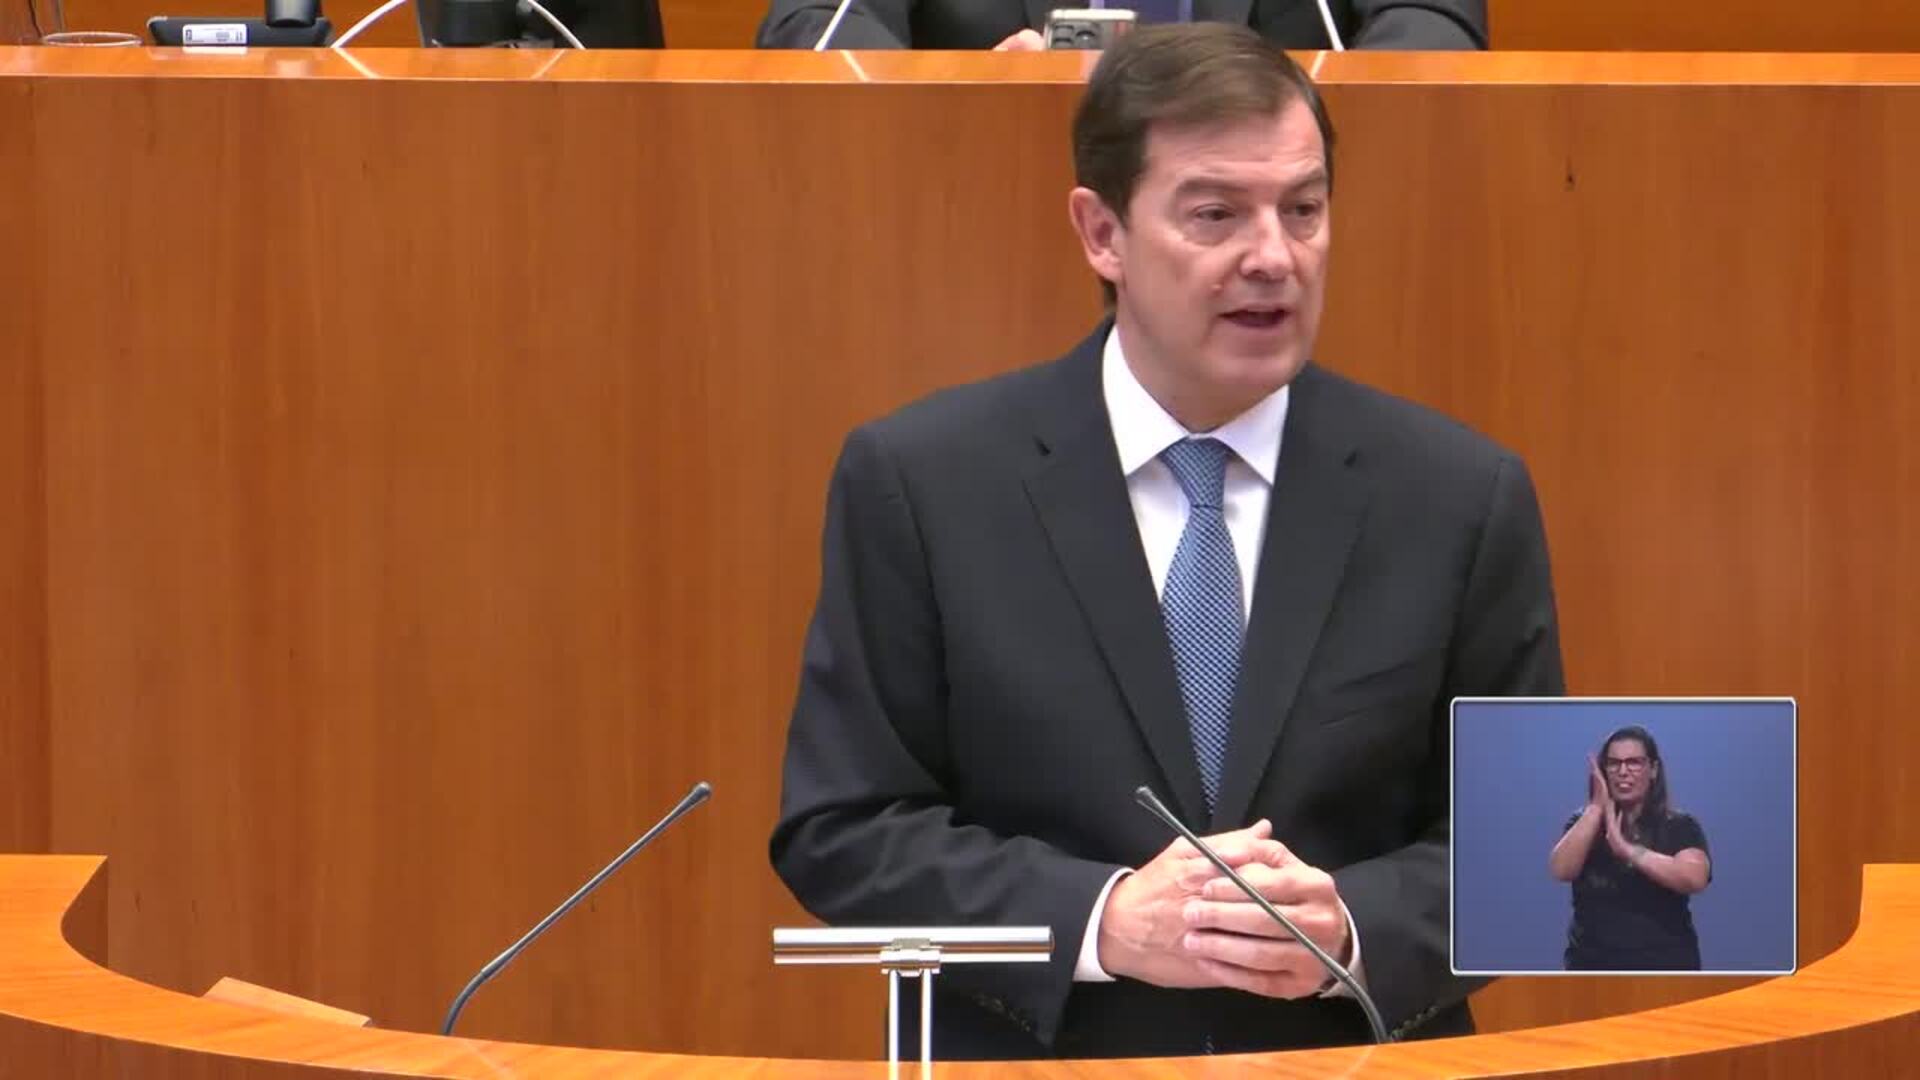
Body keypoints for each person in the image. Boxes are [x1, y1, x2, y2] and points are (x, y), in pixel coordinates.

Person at [771, 23, 1562, 1059]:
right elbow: (845, 828)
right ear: (1102, 232)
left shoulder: (1457, 495)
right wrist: (1101, 921)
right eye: (1215, 214)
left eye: (1304, 209)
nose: (1272, 256)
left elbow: (1531, 841)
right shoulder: (925, 482)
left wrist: (1351, 928)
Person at [1548, 725, 1712, 971]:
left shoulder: (1679, 825)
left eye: (1634, 762)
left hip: (1664, 968)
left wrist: (1627, 849)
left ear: (1653, 769)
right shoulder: (1583, 823)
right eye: (1613, 764)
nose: (1623, 772)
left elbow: (1694, 878)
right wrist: (1596, 808)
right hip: (1590, 968)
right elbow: (1561, 869)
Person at [757, 0, 1485, 52]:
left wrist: (1276, 101)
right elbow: (817, 26)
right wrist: (974, 93)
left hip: (1273, 224)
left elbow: (1434, 30)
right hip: (989, 210)